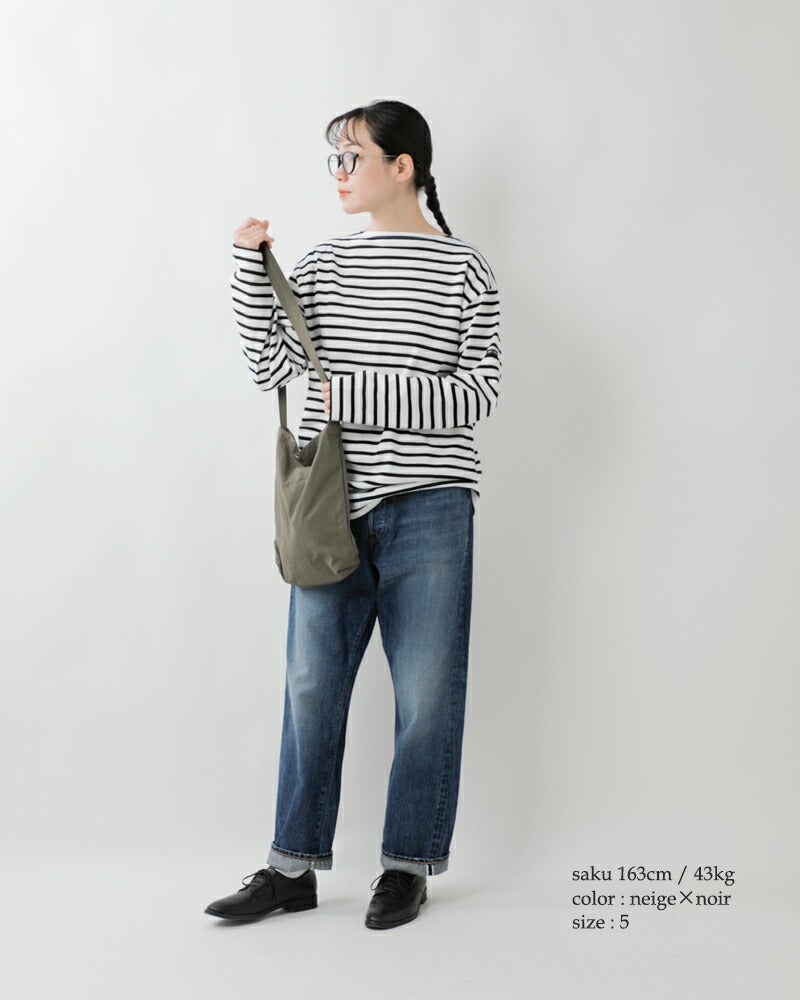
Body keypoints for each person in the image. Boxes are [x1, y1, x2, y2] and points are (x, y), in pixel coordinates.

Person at [205, 99, 502, 930]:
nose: (338, 173)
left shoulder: (464, 269)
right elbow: (271, 366)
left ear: (402, 166)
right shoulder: (326, 265)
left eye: (352, 157)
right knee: (309, 686)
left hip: (433, 504)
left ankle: (407, 866)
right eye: (332, 160)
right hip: (331, 506)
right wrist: (248, 268)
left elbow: (478, 394)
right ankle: (290, 869)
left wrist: (356, 393)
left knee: (427, 695)